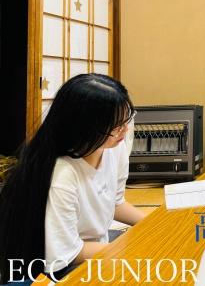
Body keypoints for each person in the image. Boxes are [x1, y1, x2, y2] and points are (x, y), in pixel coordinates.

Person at [0, 74, 145, 283]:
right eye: (115, 125)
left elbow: (115, 203)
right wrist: (129, 249)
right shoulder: (62, 175)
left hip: (97, 250)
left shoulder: (114, 147)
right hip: (63, 267)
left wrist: (155, 224)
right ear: (84, 126)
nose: (124, 130)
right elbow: (69, 253)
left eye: (126, 119)